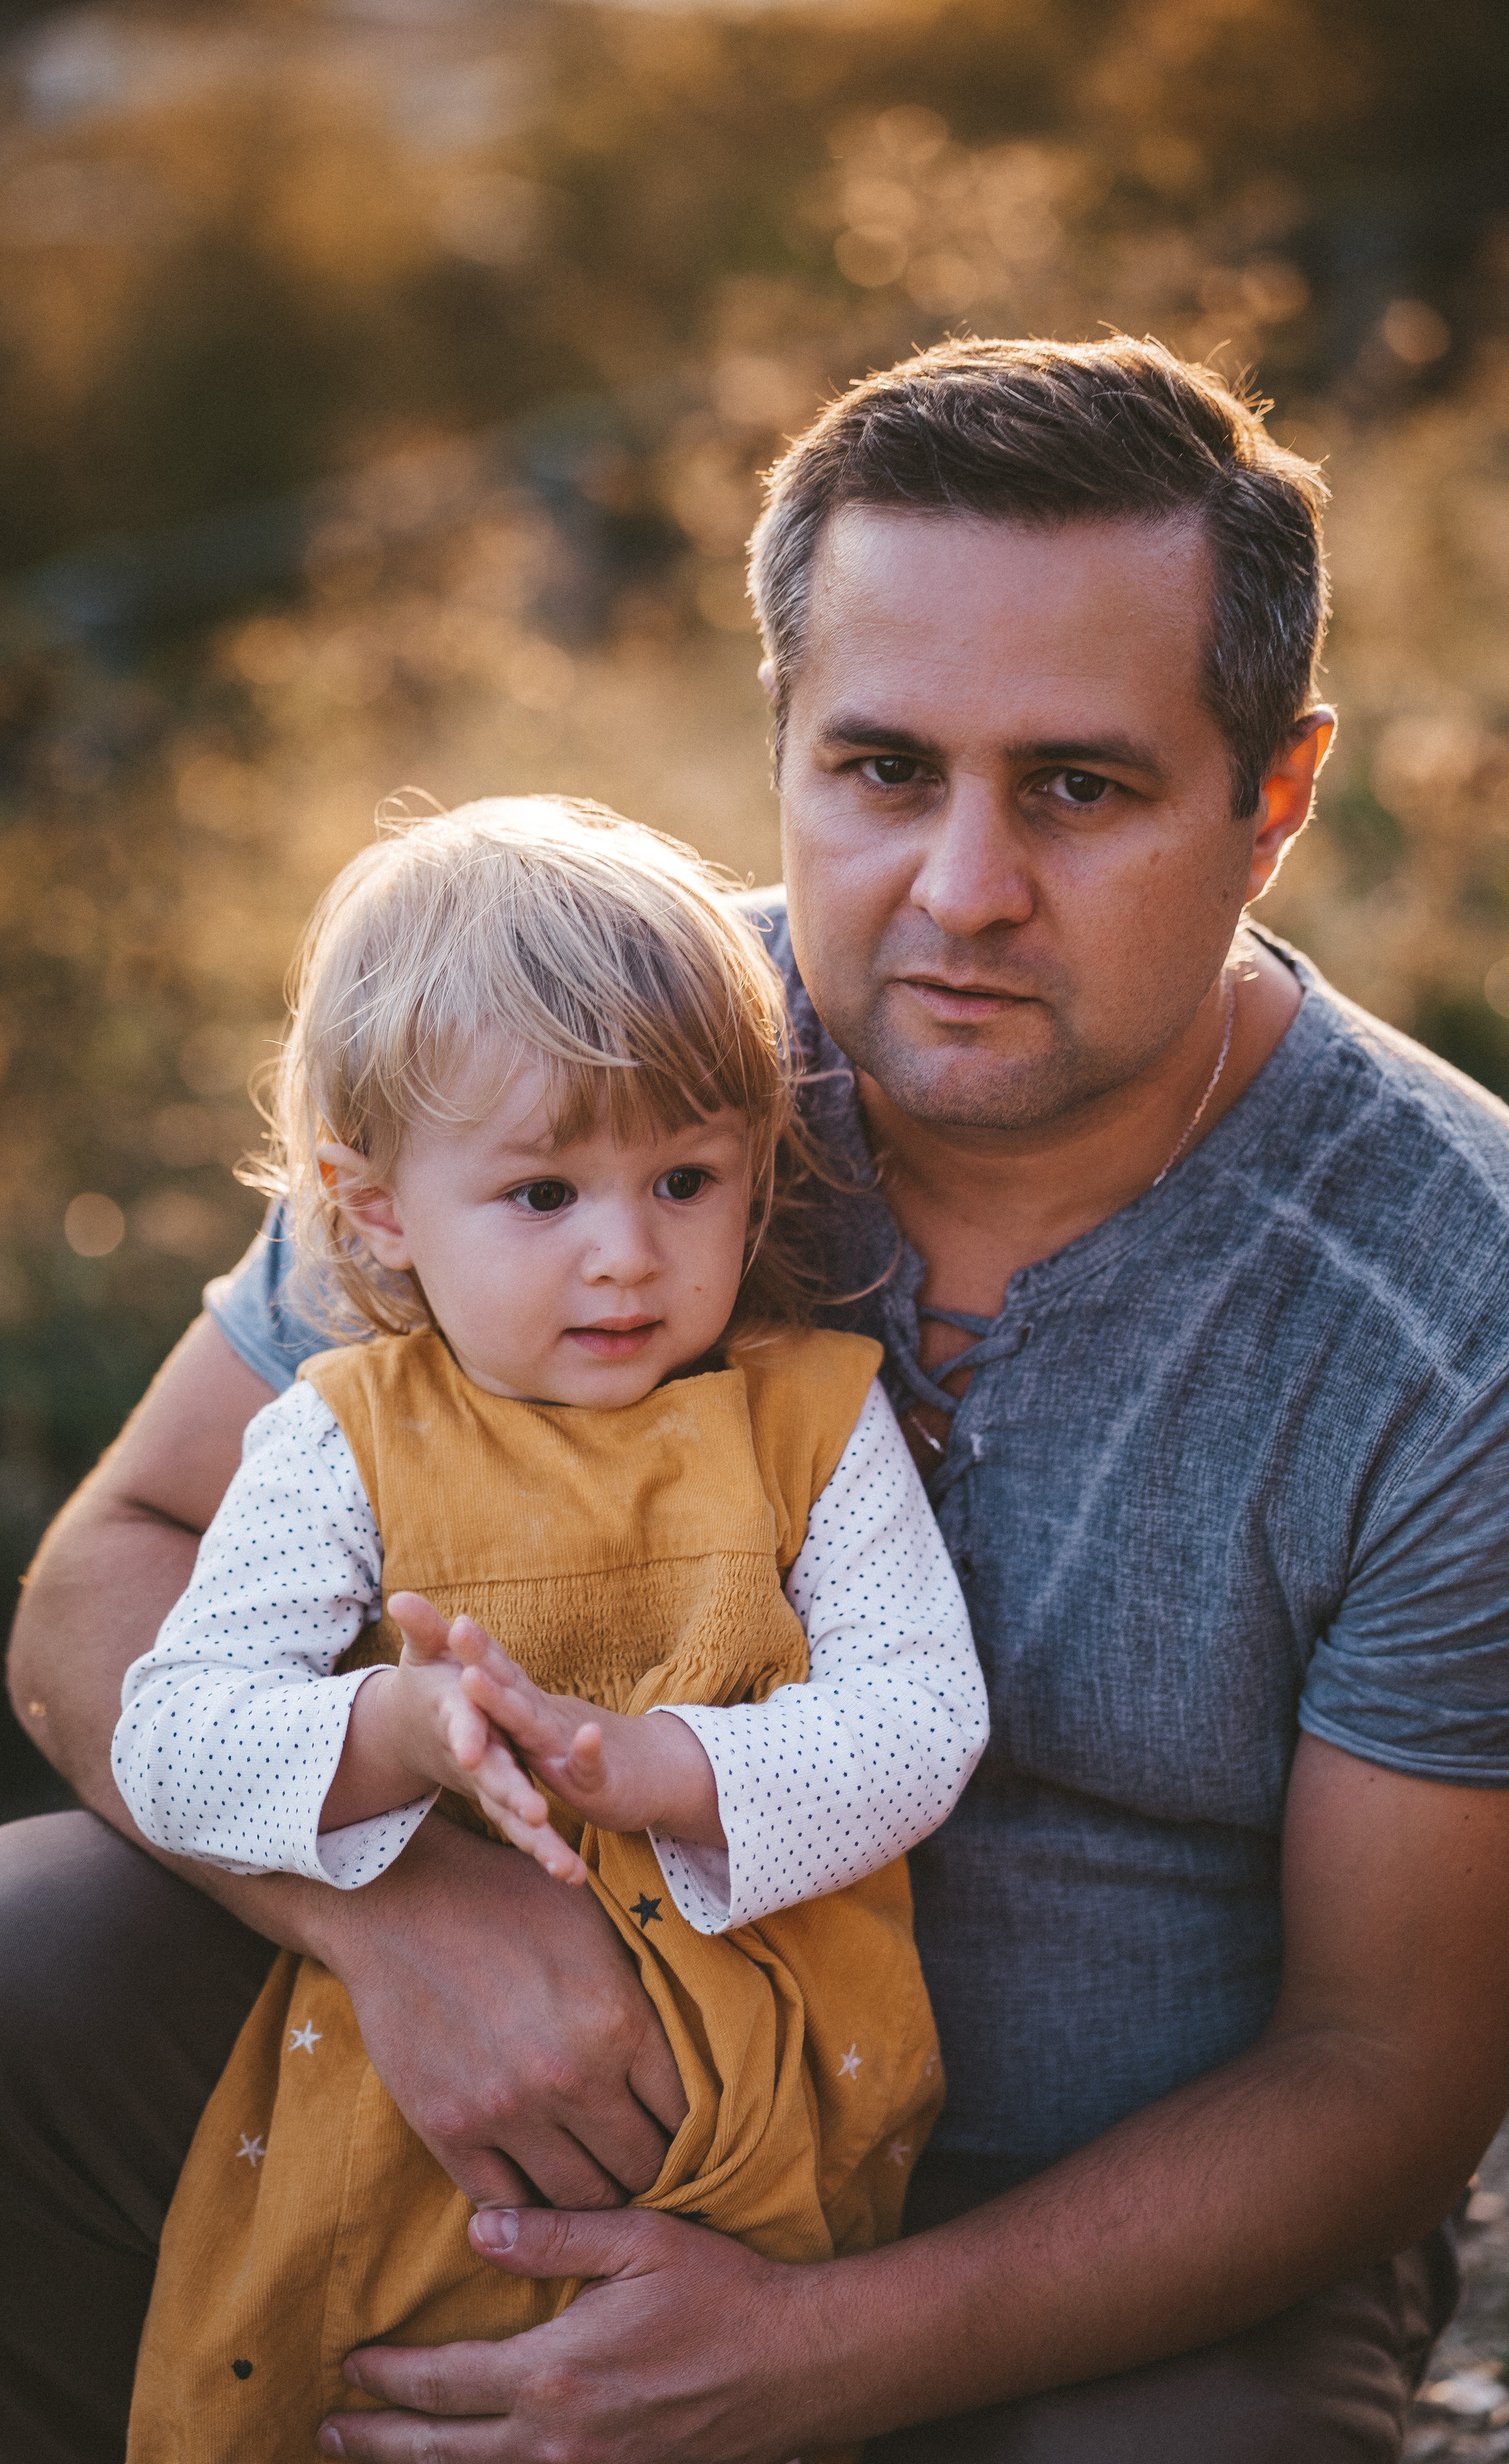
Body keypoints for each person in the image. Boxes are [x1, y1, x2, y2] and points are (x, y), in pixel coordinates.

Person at [5, 335, 1509, 2464]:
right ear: (779, 737)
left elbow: (1381, 2088)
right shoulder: (566, 1061)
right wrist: (406, 1918)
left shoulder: (1490, 1345)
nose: (962, 887)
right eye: (882, 770)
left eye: (1079, 784)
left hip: (1091, 2251)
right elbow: (97, 1587)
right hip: (463, 2092)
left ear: (1275, 797)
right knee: (27, 1961)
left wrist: (808, 2358)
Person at [107, 798, 984, 2459]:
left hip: (773, 2120)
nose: (626, 1256)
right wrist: (396, 1733)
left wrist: (666, 1766)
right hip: (420, 2142)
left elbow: (918, 1719)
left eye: (683, 1178)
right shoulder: (344, 1439)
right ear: (372, 1214)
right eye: (538, 1194)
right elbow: (170, 1740)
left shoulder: (810, 1421)